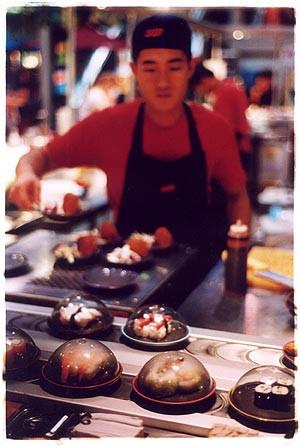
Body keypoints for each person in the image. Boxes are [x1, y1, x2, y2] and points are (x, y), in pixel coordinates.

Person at [9, 14, 250, 279]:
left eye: (174, 66)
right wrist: (25, 174)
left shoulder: (214, 128)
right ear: (134, 70)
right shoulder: (110, 124)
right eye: (150, 67)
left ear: (190, 68)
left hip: (199, 278)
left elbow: (237, 197)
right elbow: (40, 157)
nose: (162, 81)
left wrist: (238, 262)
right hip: (126, 281)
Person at [189, 62, 251, 172]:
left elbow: (225, 127)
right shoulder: (227, 86)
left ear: (204, 81)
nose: (199, 92)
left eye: (197, 88)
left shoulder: (224, 93)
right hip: (239, 145)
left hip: (236, 148)